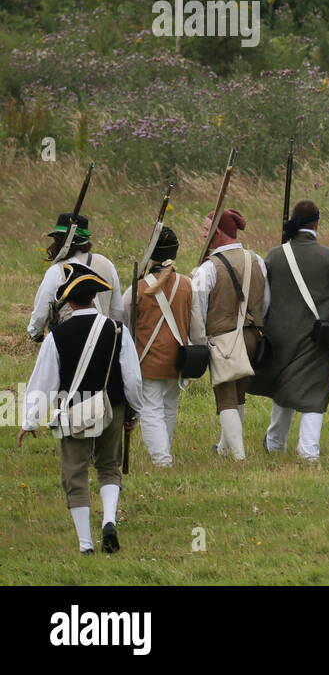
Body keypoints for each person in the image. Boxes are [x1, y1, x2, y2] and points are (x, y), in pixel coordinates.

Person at [20, 263, 143, 555]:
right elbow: (133, 379)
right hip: (112, 408)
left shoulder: (57, 336)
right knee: (109, 468)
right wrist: (134, 411)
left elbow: (44, 381)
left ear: (70, 300)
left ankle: (85, 544)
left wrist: (30, 420)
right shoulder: (117, 330)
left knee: (75, 476)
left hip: (74, 411)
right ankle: (109, 521)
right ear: (94, 298)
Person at [252, 200, 329, 462]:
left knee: (282, 388)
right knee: (314, 393)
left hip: (280, 335)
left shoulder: (275, 255)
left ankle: (275, 442)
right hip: (317, 336)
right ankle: (308, 450)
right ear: (316, 223)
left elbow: (265, 300)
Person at [189, 208, 268, 461]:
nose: (203, 234)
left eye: (206, 229)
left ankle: (238, 455)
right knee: (239, 394)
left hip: (223, 341)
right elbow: (265, 303)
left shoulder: (208, 269)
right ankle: (225, 447)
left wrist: (199, 344)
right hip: (254, 338)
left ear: (218, 233)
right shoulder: (257, 260)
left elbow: (197, 311)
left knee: (226, 398)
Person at [125, 225, 191, 468]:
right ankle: (165, 452)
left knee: (151, 409)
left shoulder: (137, 288)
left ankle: (162, 460)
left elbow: (124, 323)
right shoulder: (187, 284)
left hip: (149, 359)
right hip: (179, 359)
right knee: (169, 408)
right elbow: (196, 325)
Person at [28, 213, 123, 341]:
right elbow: (117, 311)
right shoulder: (107, 264)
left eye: (56, 239)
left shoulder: (57, 270)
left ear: (62, 241)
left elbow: (41, 311)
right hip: (104, 340)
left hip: (69, 342)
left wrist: (35, 333)